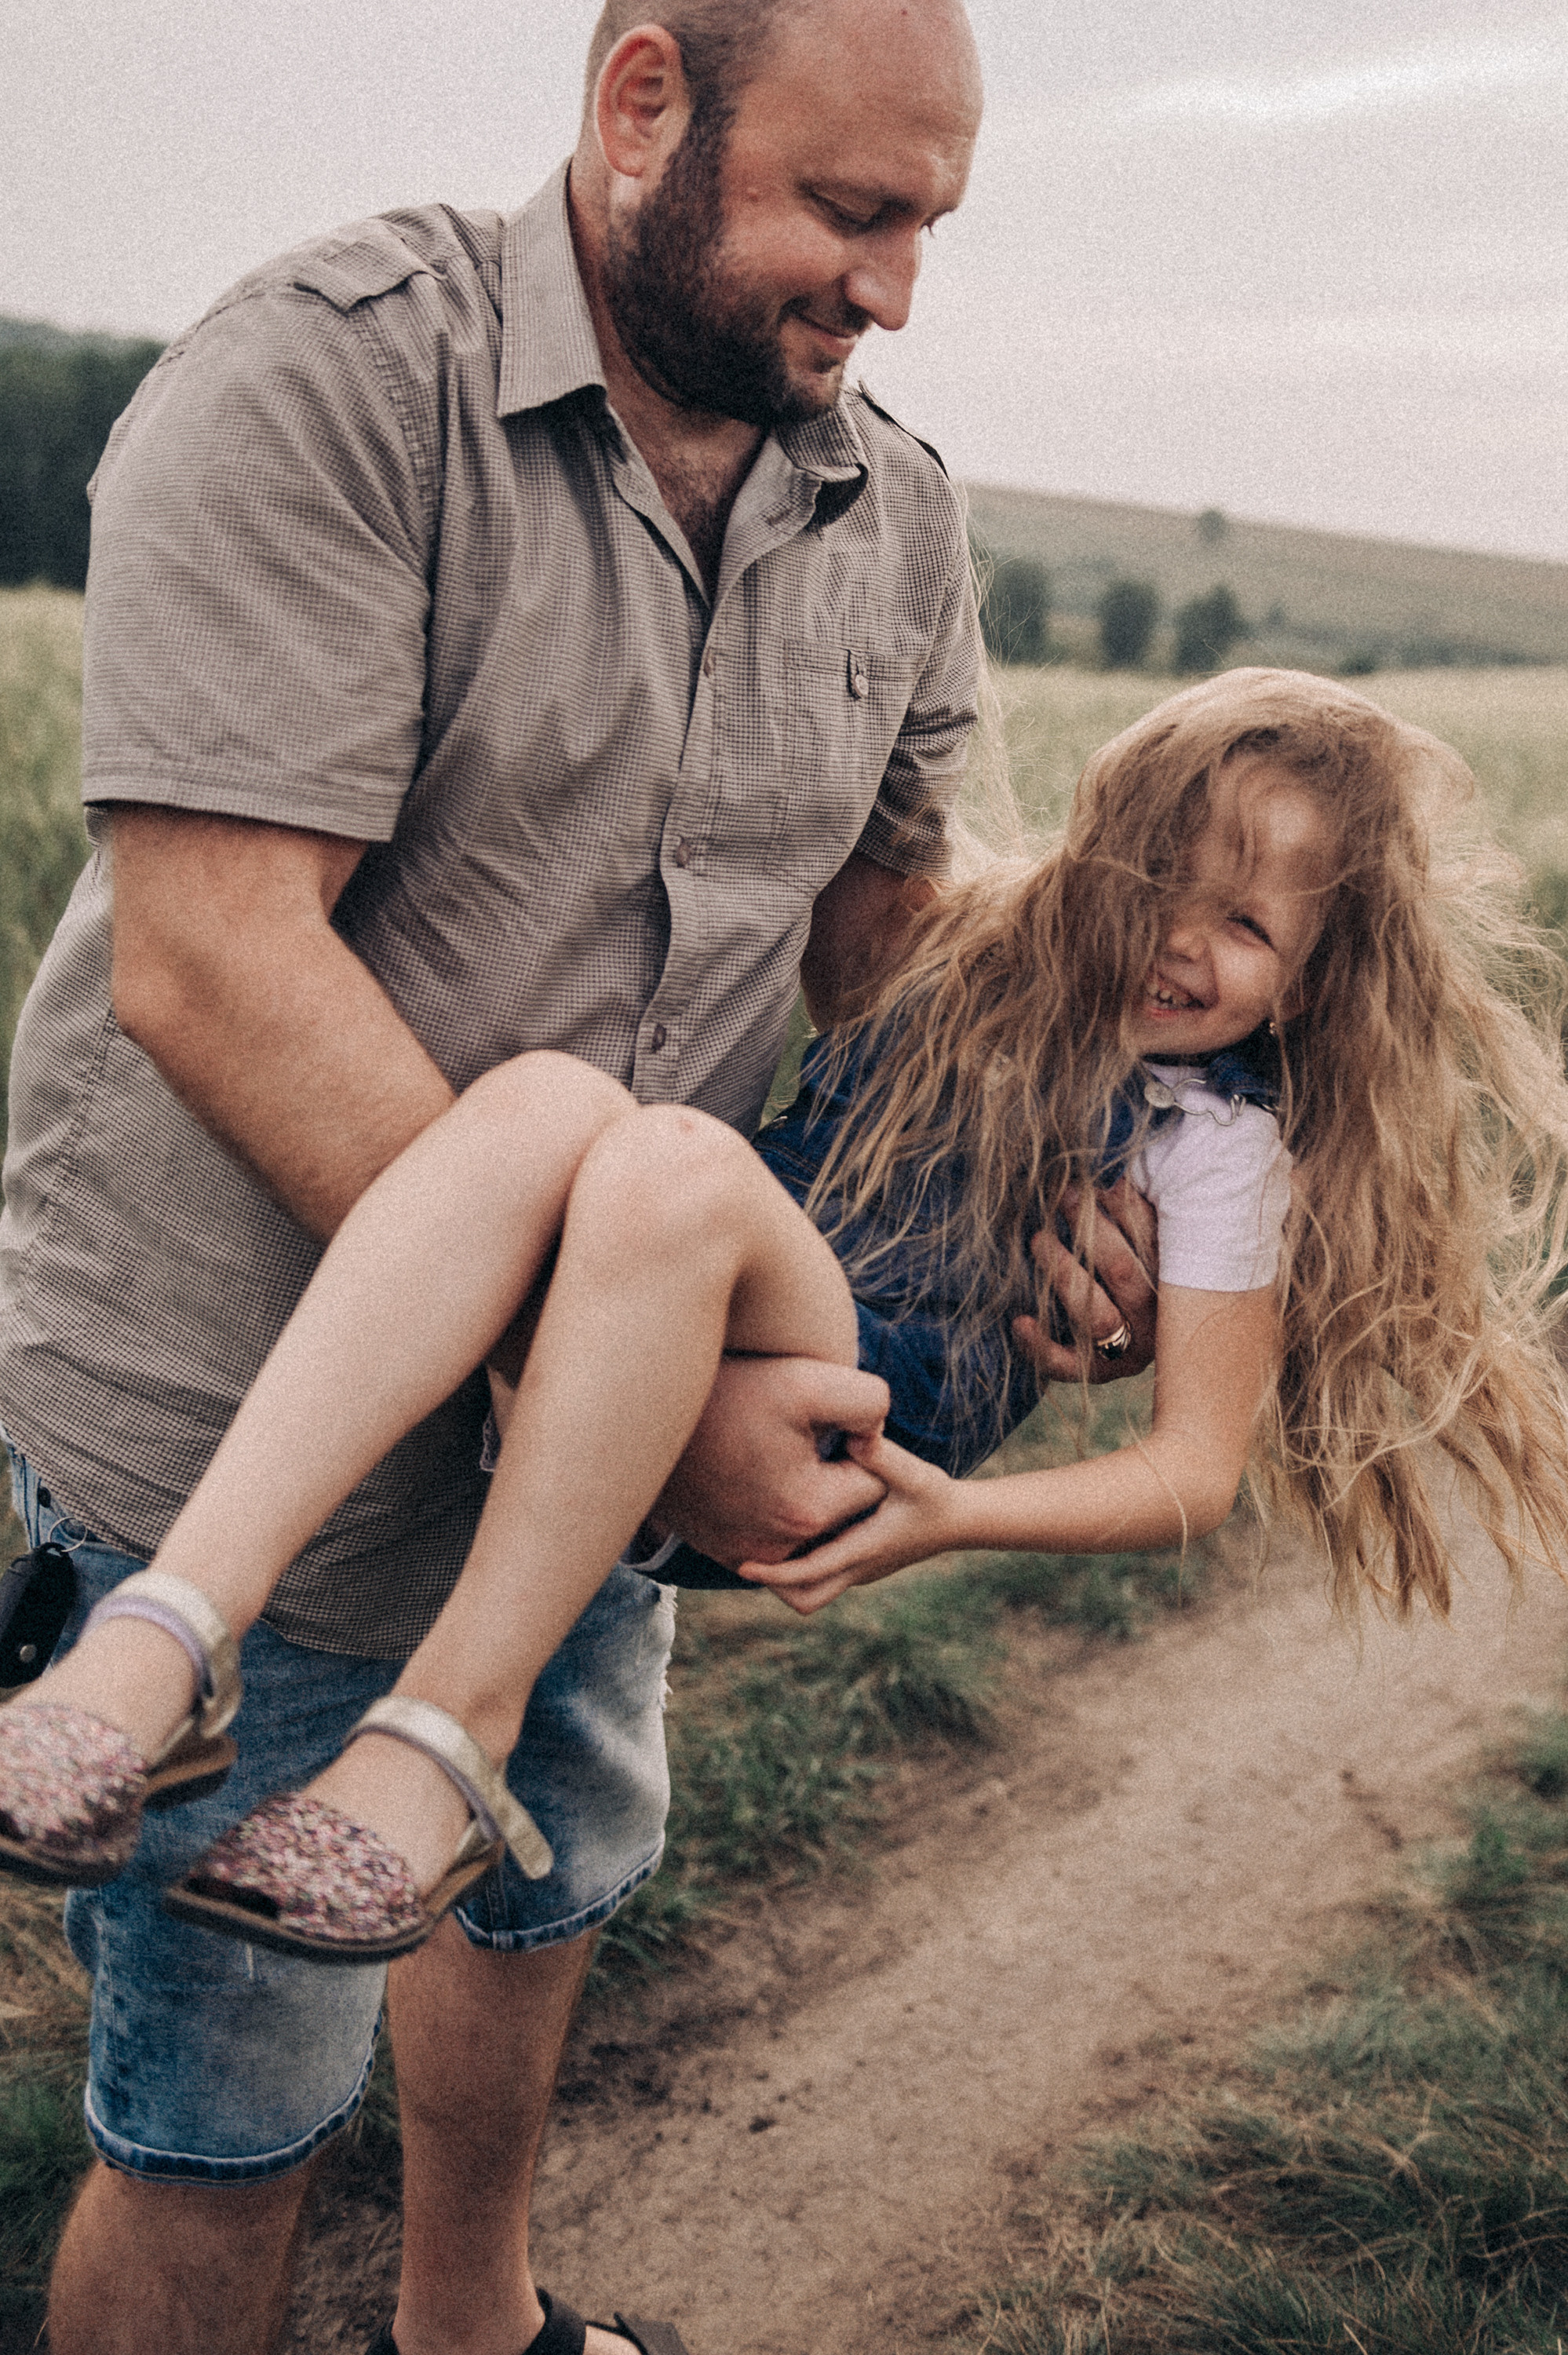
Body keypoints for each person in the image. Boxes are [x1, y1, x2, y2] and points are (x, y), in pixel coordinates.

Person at [3, 6, 1172, 2353]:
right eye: (850, 213)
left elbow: (879, 946)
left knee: (521, 1901)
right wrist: (627, 1387)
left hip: (596, 1432)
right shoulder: (329, 377)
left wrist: (1062, 1144)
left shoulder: (892, 512)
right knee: (232, 2110)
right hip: (256, 1449)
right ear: (641, 104)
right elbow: (217, 963)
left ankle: (477, 2327)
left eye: (928, 225)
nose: (896, 291)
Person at [10, 668, 1568, 1976]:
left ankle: (446, 1738)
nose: (1179, 939)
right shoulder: (977, 948)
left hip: (858, 1402)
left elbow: (1193, 1474)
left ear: (1305, 989)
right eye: (1159, 876)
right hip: (686, 1315)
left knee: (674, 1162)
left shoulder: (1215, 1144)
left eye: (1247, 926)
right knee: (552, 1102)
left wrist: (956, 1515)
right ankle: (164, 1639)